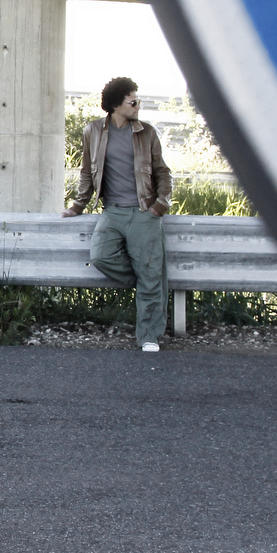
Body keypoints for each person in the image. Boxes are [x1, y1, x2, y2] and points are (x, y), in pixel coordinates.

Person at [62, 77, 173, 351]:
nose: (138, 105)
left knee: (150, 275)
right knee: (101, 256)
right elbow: (87, 172)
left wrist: (160, 205)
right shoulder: (93, 131)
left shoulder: (147, 133)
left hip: (145, 211)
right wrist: (78, 206)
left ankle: (148, 336)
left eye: (138, 101)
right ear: (115, 105)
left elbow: (163, 172)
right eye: (133, 102)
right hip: (112, 211)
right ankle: (148, 283)